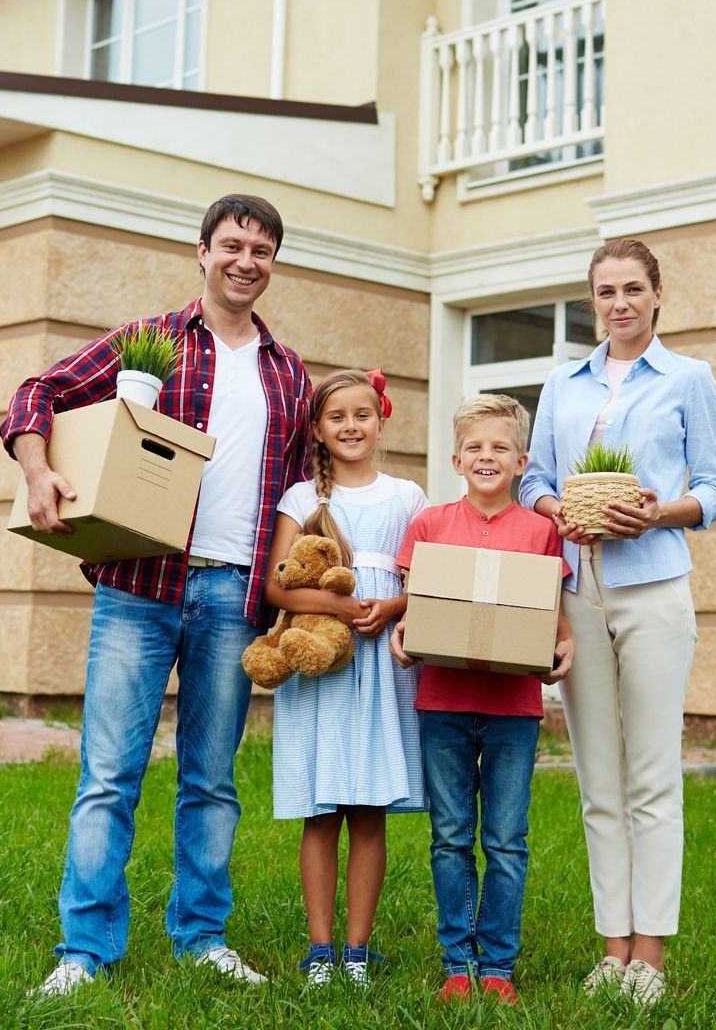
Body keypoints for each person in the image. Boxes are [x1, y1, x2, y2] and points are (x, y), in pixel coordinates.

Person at [0, 194, 311, 997]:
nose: (247, 261)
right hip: (141, 589)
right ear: (201, 252)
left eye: (263, 250)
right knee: (110, 773)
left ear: (274, 264)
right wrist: (39, 473)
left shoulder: (289, 372)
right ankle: (85, 951)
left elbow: (300, 491)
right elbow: (37, 394)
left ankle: (200, 936)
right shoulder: (153, 342)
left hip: (234, 597)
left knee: (212, 778)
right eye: (233, 245)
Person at [519, 237, 716, 1007]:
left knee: (651, 776)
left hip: (653, 589)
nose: (620, 304)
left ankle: (652, 954)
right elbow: (535, 478)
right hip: (578, 590)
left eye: (633, 289)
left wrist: (656, 514)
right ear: (592, 301)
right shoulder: (561, 383)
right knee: (597, 780)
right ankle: (612, 948)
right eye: (606, 292)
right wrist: (558, 510)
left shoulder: (688, 379)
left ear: (658, 293)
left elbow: (712, 489)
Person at [388, 393, 573, 1006]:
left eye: (499, 448)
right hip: (442, 700)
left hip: (514, 708)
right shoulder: (430, 526)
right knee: (449, 835)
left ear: (521, 461)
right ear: (455, 459)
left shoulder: (542, 531)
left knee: (506, 840)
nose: (486, 457)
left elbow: (554, 617)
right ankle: (455, 963)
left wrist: (563, 645)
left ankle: (498, 966)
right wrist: (404, 635)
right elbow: (418, 612)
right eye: (475, 448)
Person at [263, 368, 426, 988]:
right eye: (337, 417)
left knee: (369, 811)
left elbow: (422, 579)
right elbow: (279, 584)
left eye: (362, 415)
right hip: (323, 672)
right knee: (320, 809)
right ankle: (320, 950)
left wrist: (392, 609)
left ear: (380, 421)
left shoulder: (408, 497)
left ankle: (358, 951)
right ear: (318, 430)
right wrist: (338, 609)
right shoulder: (302, 500)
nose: (351, 426)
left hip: (383, 666)